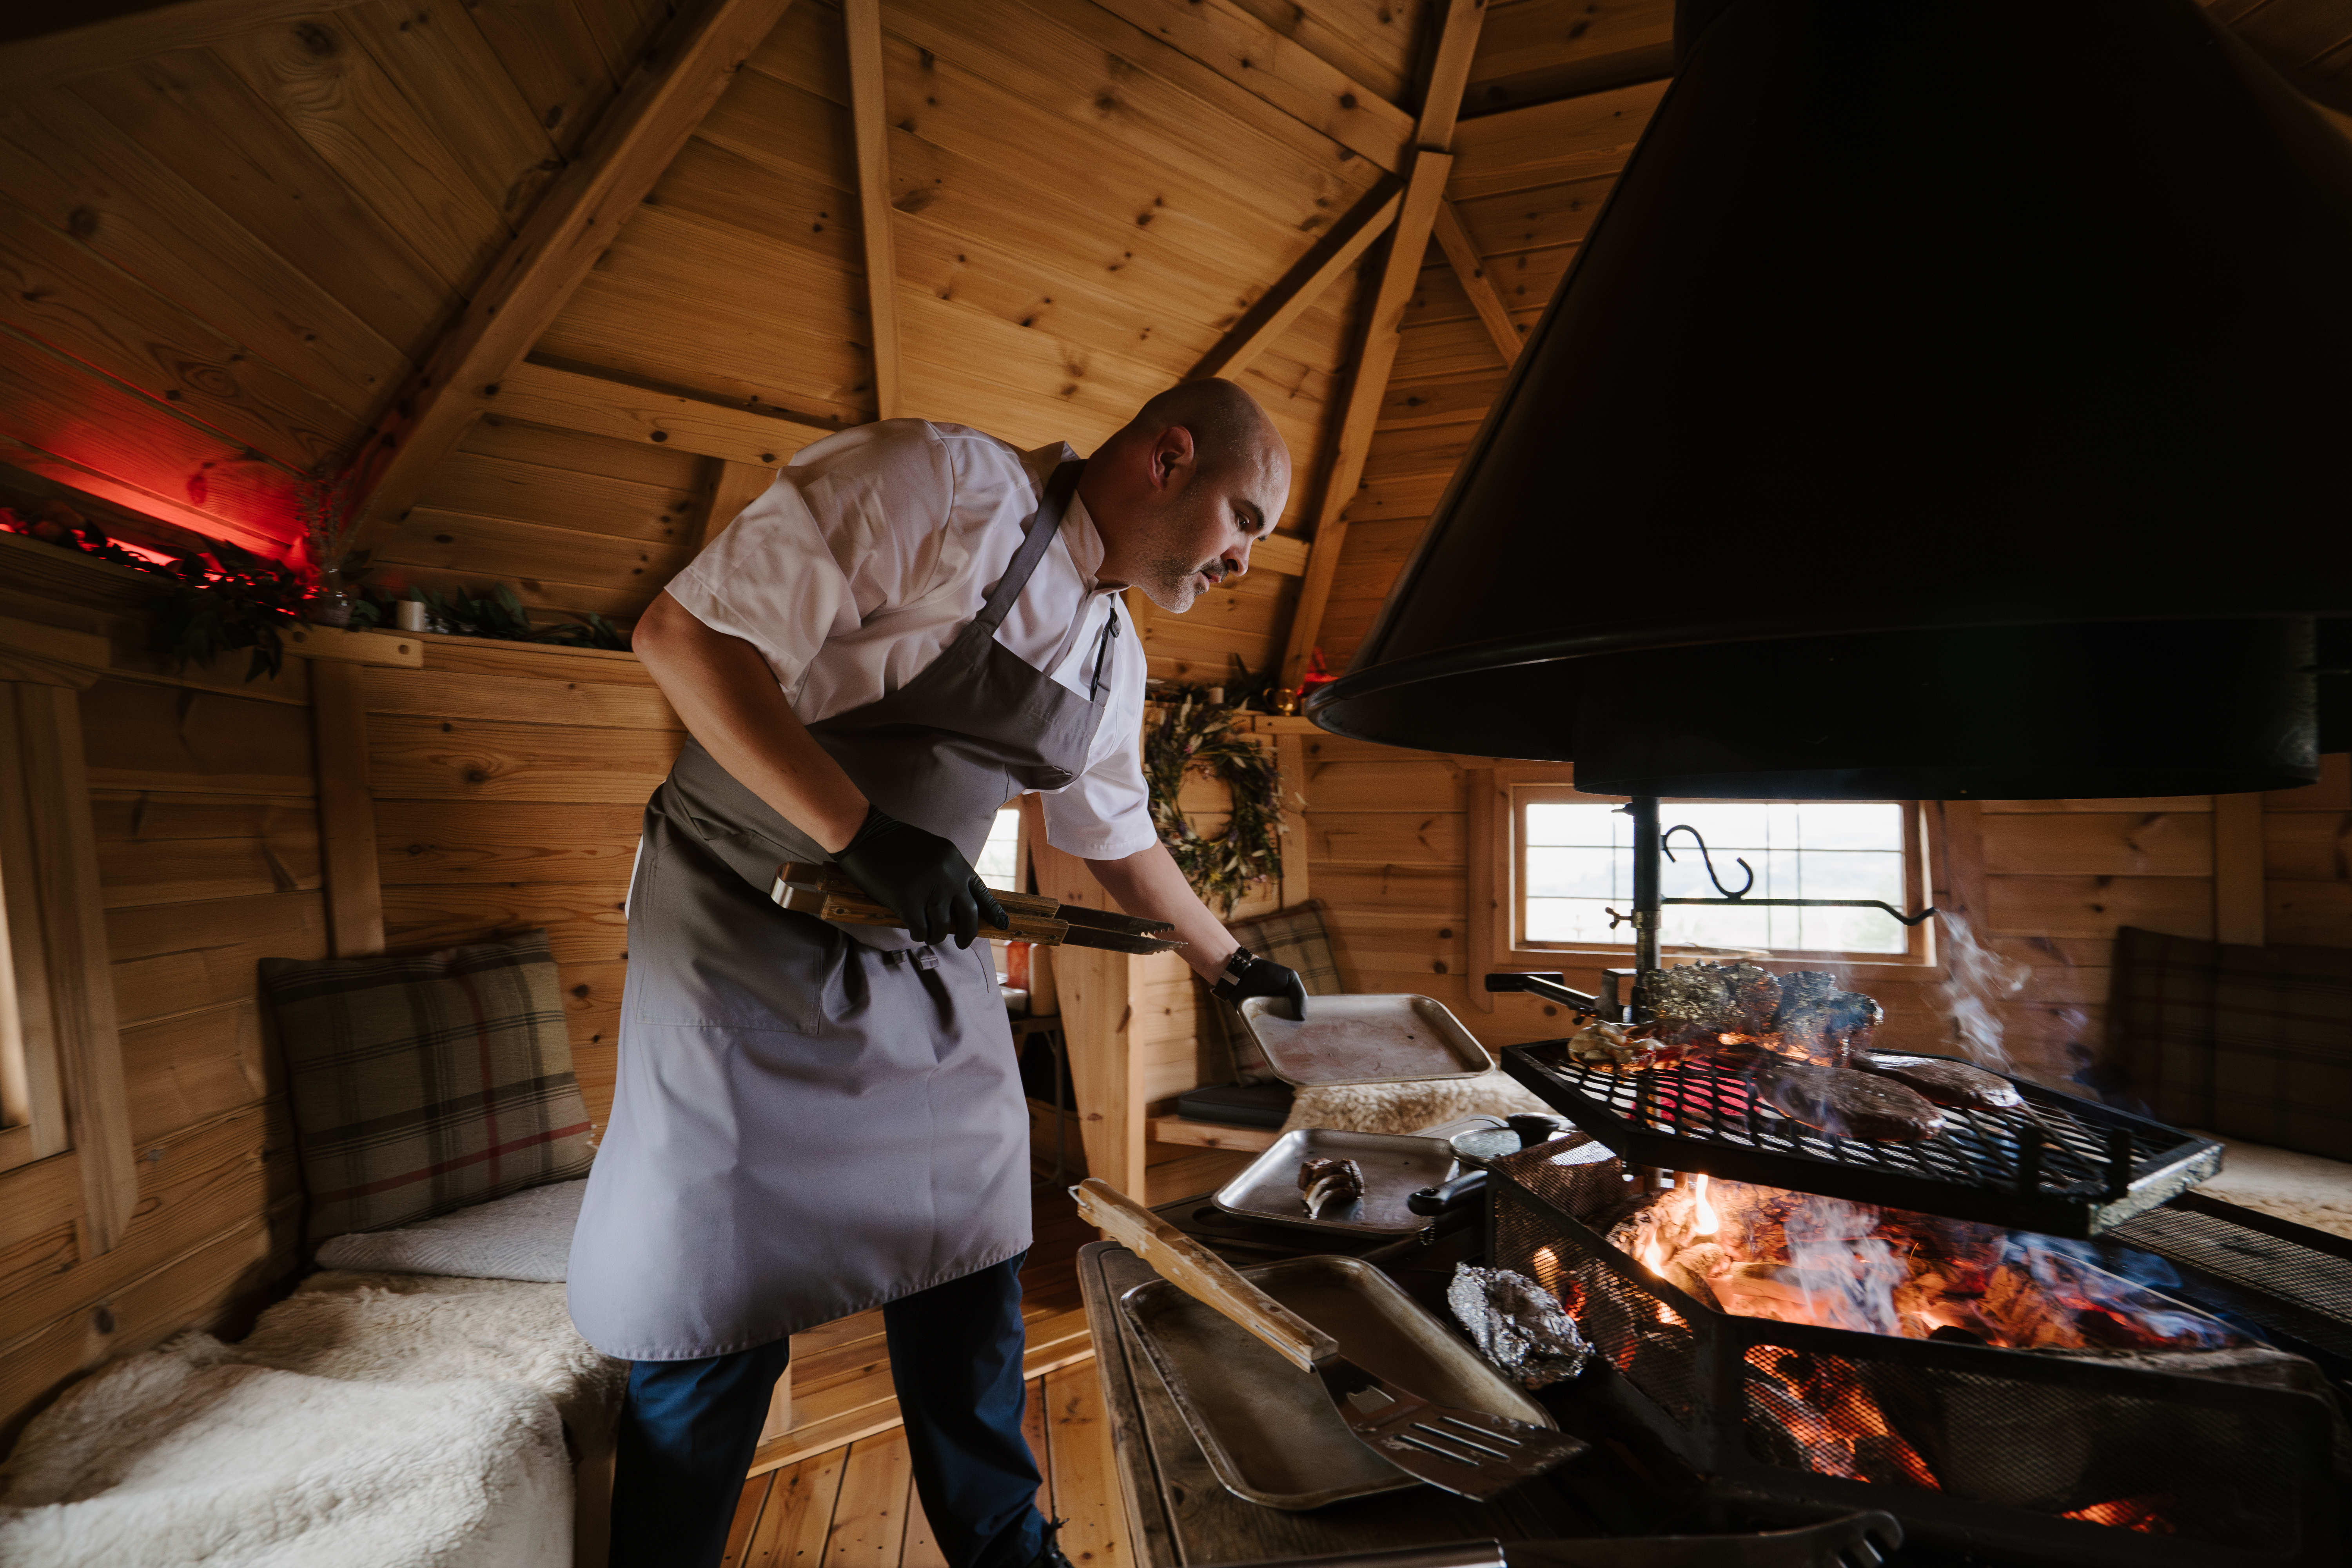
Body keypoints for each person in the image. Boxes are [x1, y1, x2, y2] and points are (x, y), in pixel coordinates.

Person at [567, 379, 1312, 1568]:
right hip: (733, 927)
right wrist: (862, 831)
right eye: (1246, 519)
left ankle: (1006, 1552)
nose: (1242, 561)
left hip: (914, 948)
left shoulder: (1114, 648)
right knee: (715, 1287)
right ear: (1169, 458)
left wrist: (1232, 964)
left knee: (973, 1237)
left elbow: (1111, 830)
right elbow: (686, 638)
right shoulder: (940, 486)